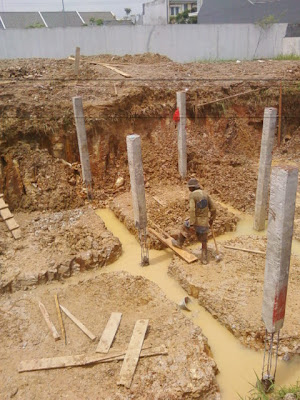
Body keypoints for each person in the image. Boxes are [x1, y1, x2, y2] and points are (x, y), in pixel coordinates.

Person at [172, 178, 216, 264]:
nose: (188, 189)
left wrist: (192, 224)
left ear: (192, 188)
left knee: (184, 226)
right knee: (204, 241)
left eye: (189, 188)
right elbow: (213, 208)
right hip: (205, 223)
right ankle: (204, 259)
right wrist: (211, 220)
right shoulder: (205, 194)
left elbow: (192, 210)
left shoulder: (192, 195)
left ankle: (179, 243)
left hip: (196, 222)